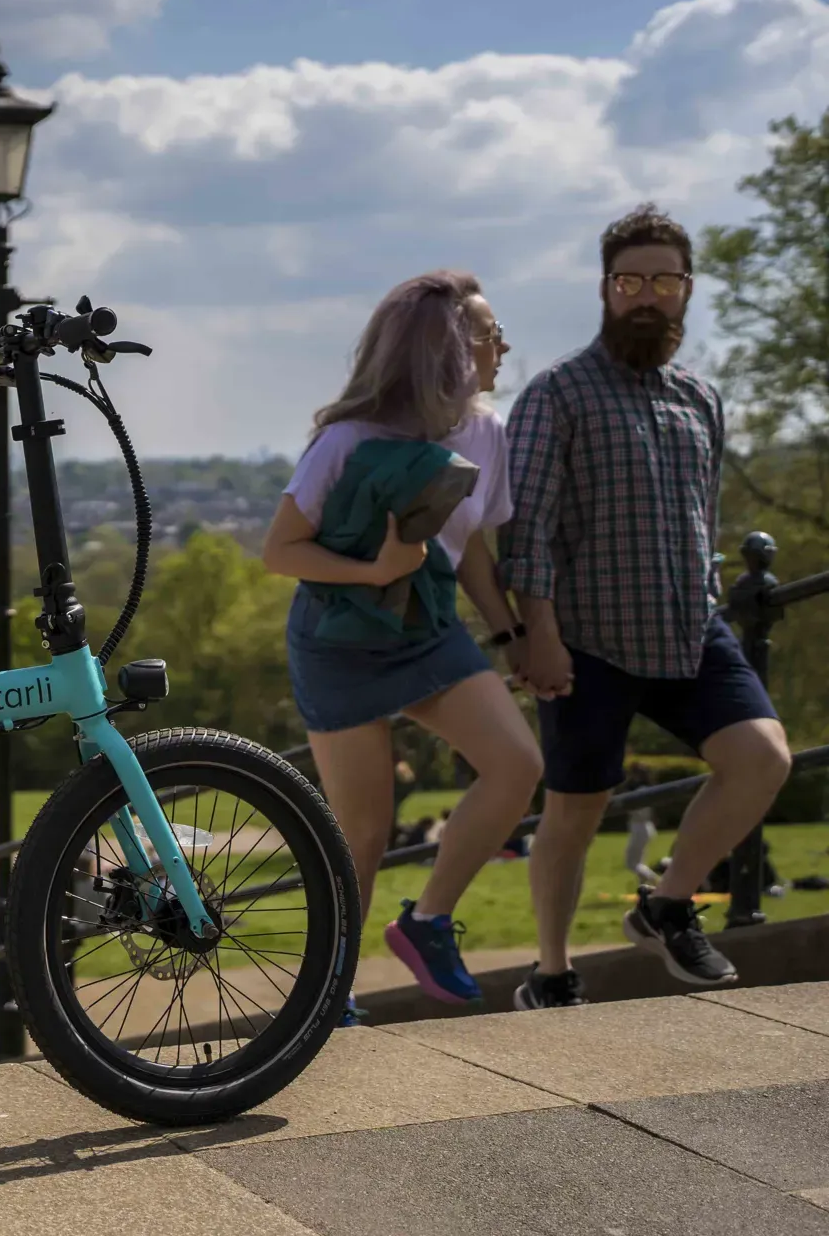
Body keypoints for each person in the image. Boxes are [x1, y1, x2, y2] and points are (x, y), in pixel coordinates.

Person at [499, 203, 793, 1009]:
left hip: (691, 628)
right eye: (630, 281)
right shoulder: (556, 393)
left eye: (664, 281)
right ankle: (551, 975)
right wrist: (539, 635)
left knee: (764, 757)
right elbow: (527, 530)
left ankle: (666, 907)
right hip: (588, 640)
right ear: (605, 289)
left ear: (686, 290)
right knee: (575, 810)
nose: (647, 296)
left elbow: (705, 512)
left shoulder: (700, 397)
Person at [263, 269, 544, 1024]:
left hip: (428, 630)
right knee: (363, 834)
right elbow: (281, 551)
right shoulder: (346, 440)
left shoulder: (486, 430)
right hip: (341, 643)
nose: (502, 347)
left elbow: (470, 545)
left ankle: (427, 921)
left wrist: (511, 635)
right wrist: (375, 570)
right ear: (443, 351)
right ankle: (329, 994)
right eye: (488, 335)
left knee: (517, 766)